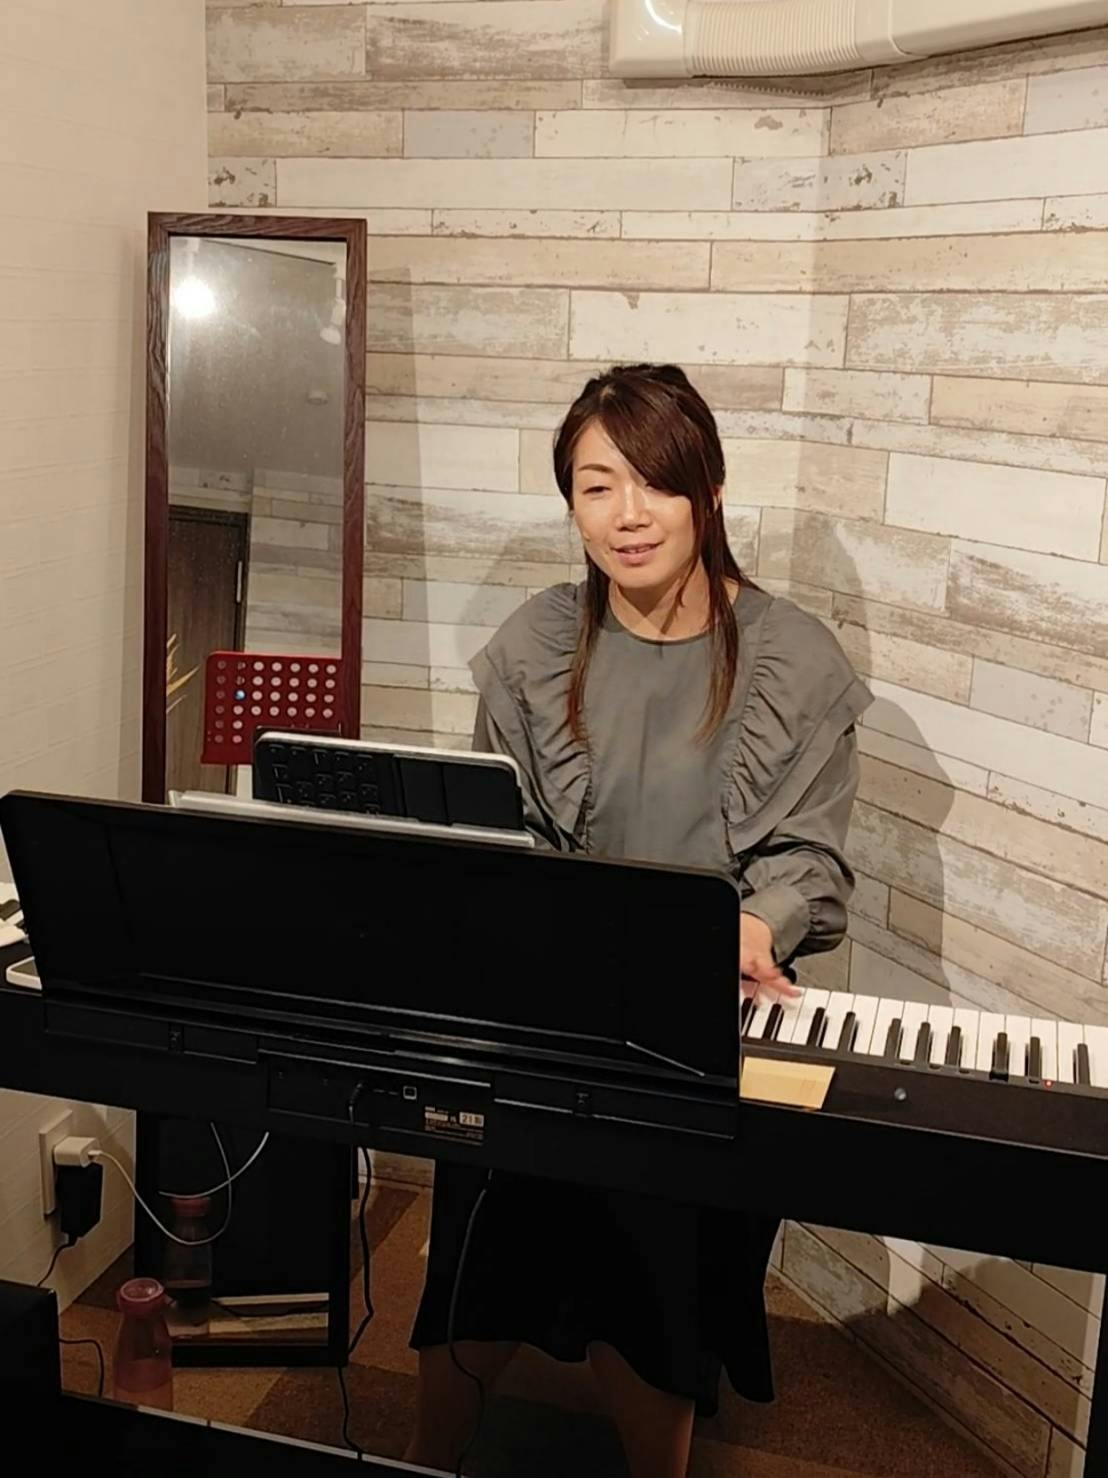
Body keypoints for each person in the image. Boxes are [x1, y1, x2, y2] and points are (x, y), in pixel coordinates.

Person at [403, 363, 871, 1478]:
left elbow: (810, 859)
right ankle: (423, 1458)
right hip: (548, 1008)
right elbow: (496, 833)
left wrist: (760, 920)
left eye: (654, 482)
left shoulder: (794, 658)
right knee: (479, 1239)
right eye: (595, 486)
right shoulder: (535, 644)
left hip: (701, 1015)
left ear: (707, 487)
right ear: (569, 504)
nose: (627, 514)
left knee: (652, 1259)